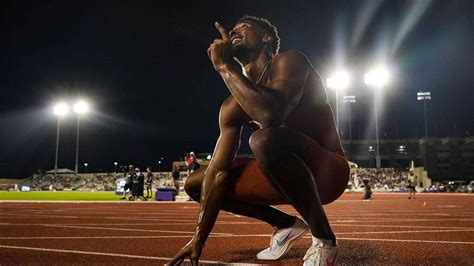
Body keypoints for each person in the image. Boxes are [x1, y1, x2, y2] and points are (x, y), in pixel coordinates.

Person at [169, 15, 349, 265]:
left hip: (328, 171)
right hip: (282, 176)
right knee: (198, 182)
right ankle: (285, 225)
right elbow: (219, 172)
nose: (233, 32)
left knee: (263, 140)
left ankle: (324, 240)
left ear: (267, 39)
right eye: (231, 30)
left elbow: (272, 114)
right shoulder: (233, 105)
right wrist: (198, 239)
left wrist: (225, 67)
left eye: (243, 27)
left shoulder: (290, 61)